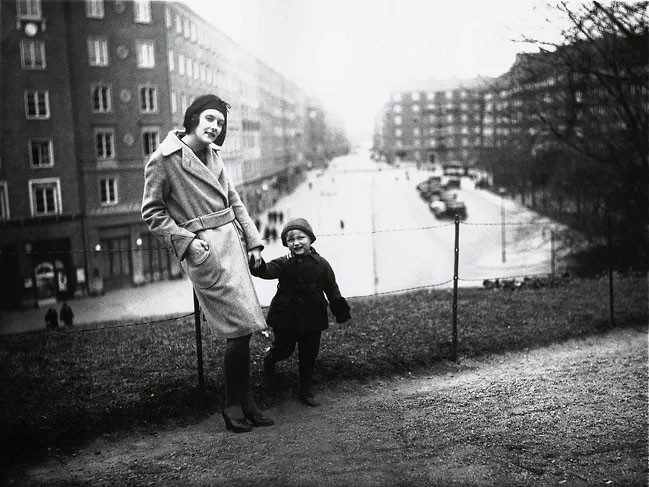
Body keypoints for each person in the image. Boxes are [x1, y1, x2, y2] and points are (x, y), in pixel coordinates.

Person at [141, 94, 273, 433]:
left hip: (233, 246)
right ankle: (232, 405)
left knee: (244, 330)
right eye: (209, 119)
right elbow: (152, 212)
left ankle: (246, 402)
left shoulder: (213, 155)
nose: (214, 126)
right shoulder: (164, 159)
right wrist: (188, 242)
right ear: (193, 119)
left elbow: (234, 200)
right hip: (206, 251)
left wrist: (253, 241)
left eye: (220, 122)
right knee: (239, 329)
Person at [251, 218, 351, 407]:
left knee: (309, 355)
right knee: (284, 349)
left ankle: (306, 390)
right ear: (286, 244)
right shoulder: (283, 263)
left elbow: (332, 288)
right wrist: (256, 264)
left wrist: (339, 309)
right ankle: (270, 359)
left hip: (313, 317)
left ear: (311, 239)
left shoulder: (322, 264)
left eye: (301, 238)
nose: (296, 243)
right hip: (285, 318)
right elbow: (267, 271)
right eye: (290, 240)